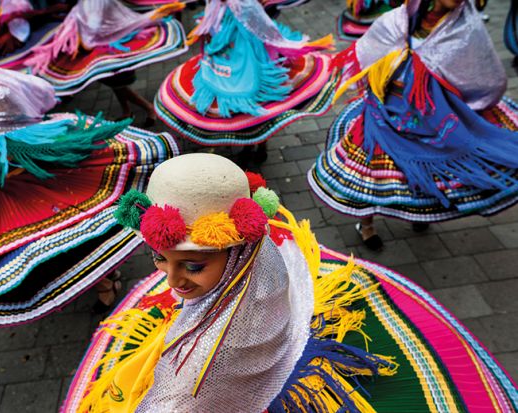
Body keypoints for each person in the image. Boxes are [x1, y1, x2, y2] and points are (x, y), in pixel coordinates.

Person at [62, 153, 517, 412]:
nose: (172, 280)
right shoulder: (264, 259)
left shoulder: (208, 366)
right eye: (160, 259)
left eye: (193, 266)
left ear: (236, 250)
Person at [0, 34, 179, 336]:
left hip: (14, 188)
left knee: (61, 242)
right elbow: (44, 94)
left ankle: (103, 280)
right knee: (82, 229)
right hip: (49, 161)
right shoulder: (1, 82)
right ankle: (105, 278)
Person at [309, 0, 518, 251]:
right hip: (385, 109)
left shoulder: (467, 29)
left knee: (422, 169)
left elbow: (484, 76)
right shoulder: (398, 21)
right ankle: (366, 225)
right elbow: (369, 55)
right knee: (370, 169)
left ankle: (417, 212)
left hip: (431, 116)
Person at [155, 0, 337, 151]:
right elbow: (209, 27)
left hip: (254, 56)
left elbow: (266, 31)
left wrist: (296, 47)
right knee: (249, 106)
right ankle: (254, 144)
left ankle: (258, 144)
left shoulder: (245, 5)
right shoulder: (218, 5)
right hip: (227, 56)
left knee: (257, 102)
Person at [22, 0, 187, 97]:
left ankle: (147, 109)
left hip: (98, 50)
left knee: (118, 86)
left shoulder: (96, 3)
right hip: (90, 49)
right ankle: (129, 110)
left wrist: (153, 16)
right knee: (117, 87)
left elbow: (101, 27)